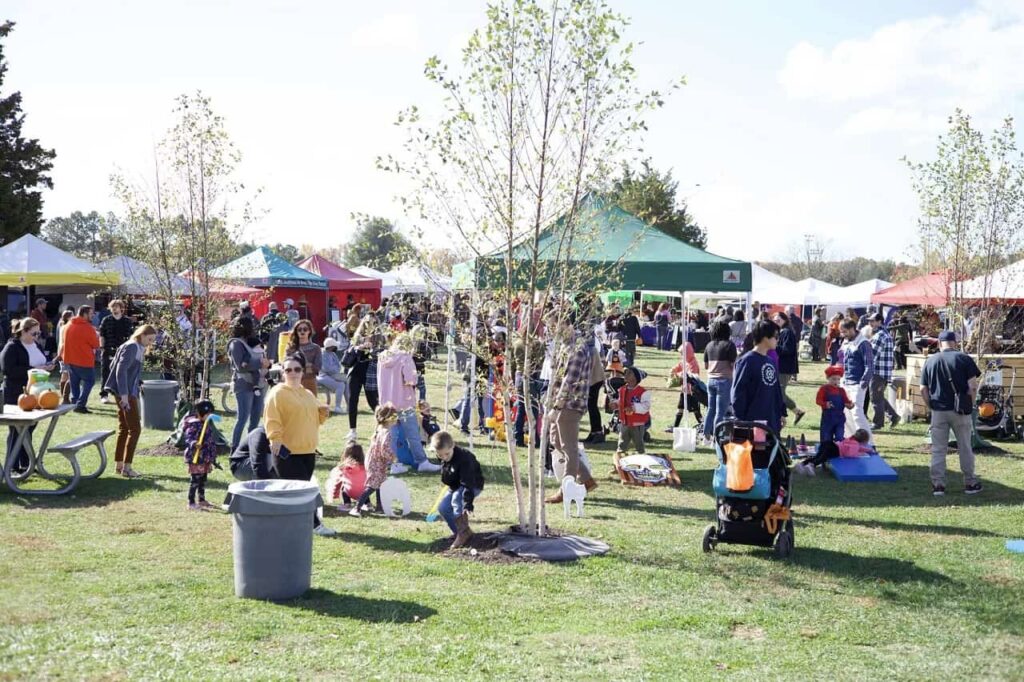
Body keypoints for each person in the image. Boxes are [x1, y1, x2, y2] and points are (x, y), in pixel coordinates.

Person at [263, 353, 336, 536]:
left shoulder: (307, 393)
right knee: (303, 492)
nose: (293, 373)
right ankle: (315, 526)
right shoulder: (277, 393)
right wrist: (275, 439)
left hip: (308, 451)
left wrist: (323, 413)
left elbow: (313, 420)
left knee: (298, 492)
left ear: (303, 371)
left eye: (297, 369)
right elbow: (271, 419)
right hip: (287, 451)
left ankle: (290, 524)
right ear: (282, 373)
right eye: (288, 370)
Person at [919, 331, 982, 496]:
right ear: (955, 342)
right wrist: (970, 403)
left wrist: (930, 405)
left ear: (940, 343)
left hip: (938, 410)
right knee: (965, 447)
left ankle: (938, 485)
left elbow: (922, 389)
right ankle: (970, 483)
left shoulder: (930, 361)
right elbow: (972, 386)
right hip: (960, 410)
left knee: (939, 449)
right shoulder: (964, 359)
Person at [545, 321, 598, 504]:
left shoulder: (577, 350)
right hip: (561, 403)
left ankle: (566, 489)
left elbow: (569, 382)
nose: (553, 332)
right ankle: (585, 478)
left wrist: (557, 406)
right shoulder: (566, 347)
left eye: (555, 328)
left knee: (569, 448)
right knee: (556, 442)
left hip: (569, 404)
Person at [377, 334, 442, 473]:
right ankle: (421, 461)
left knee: (390, 436)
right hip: (404, 402)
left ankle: (391, 463)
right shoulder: (405, 357)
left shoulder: (382, 356)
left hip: (387, 402)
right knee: (412, 434)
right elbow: (411, 380)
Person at [104, 324, 158, 477]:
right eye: (149, 339)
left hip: (127, 391)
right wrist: (125, 396)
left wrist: (137, 383)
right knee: (135, 429)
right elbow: (120, 371)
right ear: (141, 335)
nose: (150, 343)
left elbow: (128, 371)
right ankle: (127, 468)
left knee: (125, 428)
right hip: (125, 394)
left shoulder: (136, 347)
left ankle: (119, 465)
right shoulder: (133, 347)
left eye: (152, 340)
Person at [1, 318, 54, 473]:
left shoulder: (35, 344)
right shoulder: (11, 347)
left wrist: (48, 365)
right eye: (34, 333)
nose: (37, 336)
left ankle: (26, 463)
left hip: (36, 393)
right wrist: (33, 369)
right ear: (23, 331)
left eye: (38, 333)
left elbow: (40, 360)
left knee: (28, 429)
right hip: (16, 393)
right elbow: (8, 370)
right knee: (16, 430)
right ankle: (12, 465)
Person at [431, 430, 485, 549]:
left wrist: (467, 503)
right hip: (456, 485)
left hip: (472, 485)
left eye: (447, 454)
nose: (444, 458)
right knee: (443, 508)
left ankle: (463, 533)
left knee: (456, 500)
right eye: (440, 455)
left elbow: (468, 483)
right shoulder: (443, 457)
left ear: (453, 446)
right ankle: (459, 533)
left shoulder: (465, 459)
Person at [731, 320, 786, 434]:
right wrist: (740, 420)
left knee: (771, 450)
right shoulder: (746, 361)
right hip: (752, 421)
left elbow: (776, 390)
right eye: (776, 336)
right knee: (757, 451)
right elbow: (738, 392)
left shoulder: (770, 361)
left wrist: (781, 413)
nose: (778, 339)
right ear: (765, 337)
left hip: (771, 420)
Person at [350, 404, 400, 517]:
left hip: (374, 460)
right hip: (376, 462)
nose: (397, 419)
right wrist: (393, 458)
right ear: (389, 419)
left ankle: (379, 507)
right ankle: (356, 507)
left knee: (380, 483)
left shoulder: (380, 428)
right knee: (372, 485)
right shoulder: (387, 433)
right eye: (395, 416)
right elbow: (384, 449)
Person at [227, 317, 267, 451]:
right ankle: (235, 448)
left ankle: (251, 447)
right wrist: (260, 363)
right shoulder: (236, 344)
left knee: (255, 418)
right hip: (243, 384)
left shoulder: (250, 342)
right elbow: (240, 366)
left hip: (258, 383)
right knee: (243, 418)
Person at [346, 315, 385, 442]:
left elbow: (383, 354)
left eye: (373, 322)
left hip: (371, 373)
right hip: (356, 371)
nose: (370, 325)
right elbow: (350, 351)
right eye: (368, 322)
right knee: (352, 400)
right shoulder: (357, 337)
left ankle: (382, 427)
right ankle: (352, 430)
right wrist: (359, 347)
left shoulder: (380, 338)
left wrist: (372, 349)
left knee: (373, 402)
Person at [838, 319, 874, 443]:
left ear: (853, 328)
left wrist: (863, 384)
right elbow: (841, 359)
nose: (843, 334)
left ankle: (868, 443)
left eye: (845, 331)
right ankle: (851, 440)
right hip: (845, 381)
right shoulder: (846, 341)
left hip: (857, 383)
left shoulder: (863, 343)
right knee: (845, 414)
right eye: (842, 332)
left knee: (857, 413)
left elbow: (869, 365)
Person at [60, 306, 100, 414]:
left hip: (70, 360)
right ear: (85, 314)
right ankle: (80, 404)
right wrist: (97, 336)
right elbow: (96, 345)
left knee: (74, 383)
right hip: (84, 360)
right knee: (89, 381)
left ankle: (75, 403)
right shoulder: (87, 328)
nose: (93, 316)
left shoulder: (68, 325)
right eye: (91, 314)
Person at [702, 320, 737, 438]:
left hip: (710, 380)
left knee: (711, 409)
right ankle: (716, 437)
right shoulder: (729, 345)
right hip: (724, 381)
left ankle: (706, 434)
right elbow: (733, 365)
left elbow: (706, 366)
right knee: (720, 412)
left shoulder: (709, 345)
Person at [182, 399, 219, 510]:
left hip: (205, 457)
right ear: (200, 413)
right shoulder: (193, 425)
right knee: (195, 480)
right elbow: (189, 438)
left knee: (203, 479)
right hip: (196, 457)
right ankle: (191, 502)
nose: (209, 416)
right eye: (207, 414)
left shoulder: (205, 424)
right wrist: (194, 443)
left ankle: (201, 500)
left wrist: (212, 455)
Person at [868, 312, 900, 429]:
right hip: (884, 372)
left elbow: (872, 355)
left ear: (879, 322)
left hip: (878, 372)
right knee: (878, 396)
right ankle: (893, 416)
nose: (870, 323)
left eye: (872, 321)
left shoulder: (880, 336)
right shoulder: (885, 334)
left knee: (875, 398)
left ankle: (878, 423)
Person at [773, 311, 806, 425]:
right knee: (778, 392)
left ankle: (785, 416)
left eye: (779, 320)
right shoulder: (782, 332)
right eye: (775, 320)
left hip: (785, 367)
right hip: (782, 367)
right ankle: (796, 411)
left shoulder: (787, 332)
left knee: (779, 393)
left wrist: (774, 346)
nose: (776, 322)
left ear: (785, 320)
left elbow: (788, 350)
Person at [98, 300, 133, 405]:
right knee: (105, 372)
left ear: (121, 308)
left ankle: (121, 394)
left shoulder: (127, 321)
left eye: (116, 307)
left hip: (123, 350)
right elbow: (102, 335)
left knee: (123, 373)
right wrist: (102, 347)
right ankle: (104, 395)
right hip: (108, 349)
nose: (114, 309)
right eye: (112, 307)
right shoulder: (106, 320)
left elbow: (131, 337)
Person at [795, 428, 872, 476]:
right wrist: (860, 454)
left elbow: (858, 448)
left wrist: (868, 450)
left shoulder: (851, 439)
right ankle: (812, 465)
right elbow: (851, 454)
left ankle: (802, 464)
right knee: (822, 458)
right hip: (835, 450)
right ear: (862, 440)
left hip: (828, 443)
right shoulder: (855, 445)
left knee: (818, 456)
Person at [613, 366, 650, 456]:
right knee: (621, 445)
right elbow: (621, 401)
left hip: (637, 424)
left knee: (639, 445)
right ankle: (619, 467)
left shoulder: (642, 392)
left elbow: (646, 406)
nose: (626, 375)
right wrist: (616, 404)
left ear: (635, 378)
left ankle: (641, 462)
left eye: (629, 373)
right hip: (624, 422)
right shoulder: (622, 390)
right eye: (625, 373)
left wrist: (634, 408)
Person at [815, 365, 854, 447]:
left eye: (838, 379)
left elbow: (846, 401)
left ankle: (838, 451)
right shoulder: (824, 389)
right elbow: (818, 400)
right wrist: (825, 404)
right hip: (828, 418)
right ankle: (826, 452)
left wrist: (850, 404)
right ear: (828, 378)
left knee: (839, 436)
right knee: (826, 437)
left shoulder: (841, 390)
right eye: (833, 379)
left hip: (840, 418)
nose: (836, 381)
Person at [325, 442, 368, 512]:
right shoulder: (365, 465)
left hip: (350, 491)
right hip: (364, 493)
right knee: (365, 487)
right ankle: (368, 504)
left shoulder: (344, 467)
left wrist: (334, 494)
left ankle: (347, 504)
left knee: (343, 487)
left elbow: (337, 481)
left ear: (346, 453)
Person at [285, 319, 322, 394]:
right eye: (299, 330)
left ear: (309, 331)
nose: (302, 332)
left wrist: (306, 366)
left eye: (305, 329)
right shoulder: (291, 347)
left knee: (311, 405)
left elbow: (318, 367)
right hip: (293, 381)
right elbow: (285, 365)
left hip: (309, 381)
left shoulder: (316, 348)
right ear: (296, 332)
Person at [317, 337, 349, 415]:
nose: (336, 348)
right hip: (322, 376)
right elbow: (325, 368)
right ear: (330, 347)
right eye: (334, 346)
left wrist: (334, 371)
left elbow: (338, 366)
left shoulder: (333, 354)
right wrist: (334, 370)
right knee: (340, 385)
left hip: (333, 375)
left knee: (346, 382)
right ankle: (337, 407)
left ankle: (350, 406)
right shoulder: (322, 354)